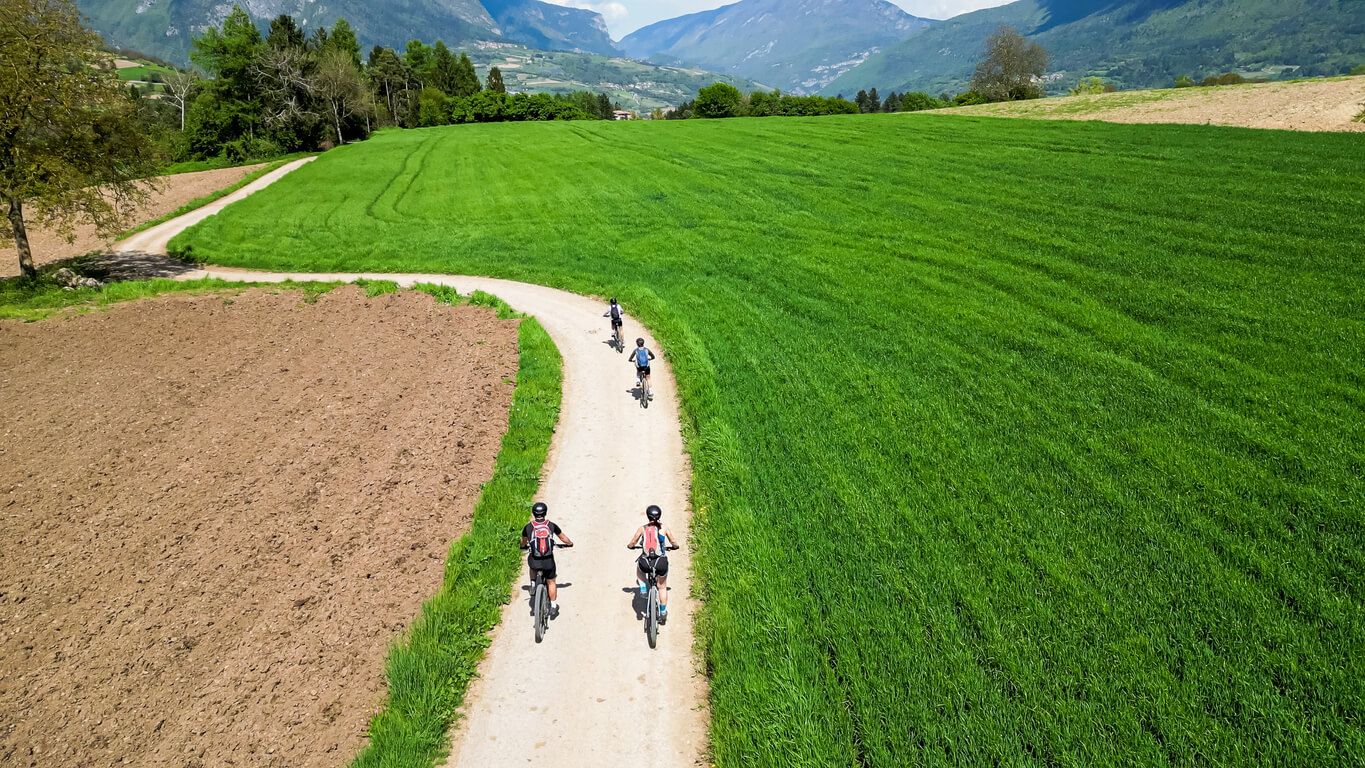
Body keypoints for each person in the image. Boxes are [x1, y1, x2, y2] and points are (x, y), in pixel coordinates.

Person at [627, 505, 679, 623]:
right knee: (662, 587)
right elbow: (674, 543)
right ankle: (663, 611)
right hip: (660, 563)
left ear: (647, 516)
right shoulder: (664, 528)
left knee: (640, 571)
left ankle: (643, 588)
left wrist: (631, 546)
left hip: (646, 562)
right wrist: (674, 546)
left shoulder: (642, 529)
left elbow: (632, 542)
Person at [521, 501, 573, 619]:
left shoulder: (528, 527)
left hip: (535, 561)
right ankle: (553, 605)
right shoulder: (551, 525)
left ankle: (533, 583)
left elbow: (523, 541)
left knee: (532, 564)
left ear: (533, 513)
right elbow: (563, 537)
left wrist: (523, 546)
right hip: (548, 561)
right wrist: (570, 543)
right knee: (551, 581)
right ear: (545, 513)